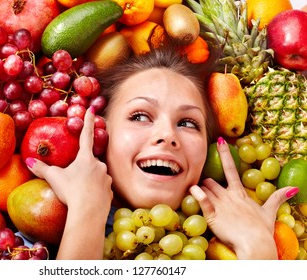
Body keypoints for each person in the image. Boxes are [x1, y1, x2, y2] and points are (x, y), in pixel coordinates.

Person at [24, 46, 299, 260]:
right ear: (101, 131)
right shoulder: (25, 247)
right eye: (141, 116)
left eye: (188, 123)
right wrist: (87, 210)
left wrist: (258, 249)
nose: (168, 135)